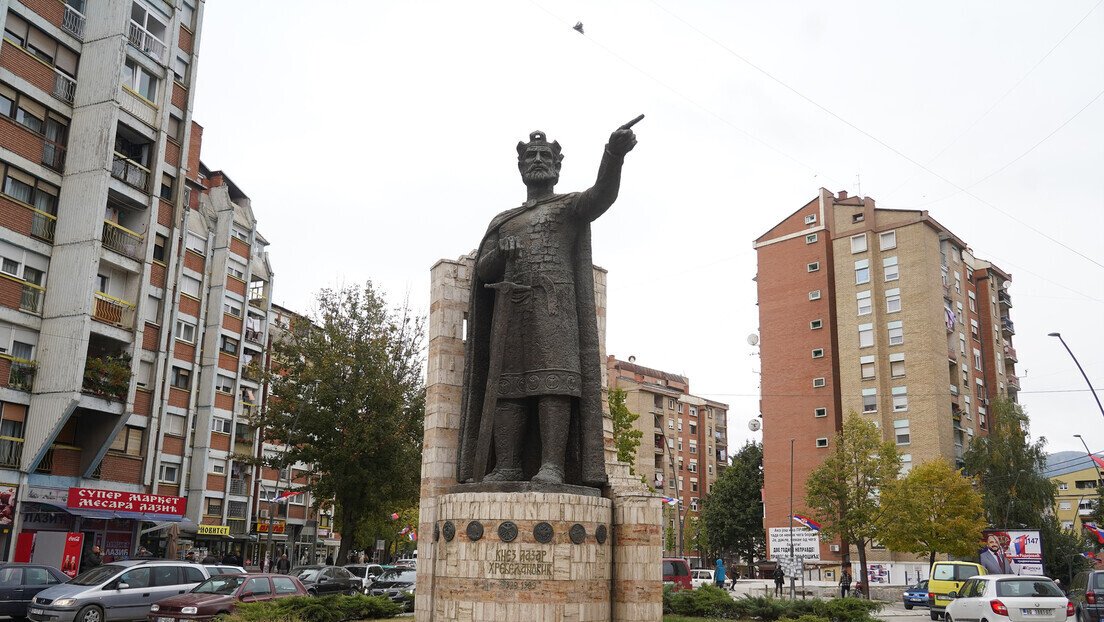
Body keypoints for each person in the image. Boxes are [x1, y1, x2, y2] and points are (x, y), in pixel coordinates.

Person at [456, 124, 638, 488]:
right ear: (521, 166)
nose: (537, 160)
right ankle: (507, 466)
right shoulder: (504, 220)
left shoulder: (568, 206)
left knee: (554, 384)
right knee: (508, 388)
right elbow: (483, 271)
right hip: (512, 312)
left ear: (557, 165)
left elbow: (601, 195)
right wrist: (500, 254)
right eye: (530, 156)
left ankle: (553, 465)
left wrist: (613, 155)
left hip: (555, 311)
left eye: (545, 156)